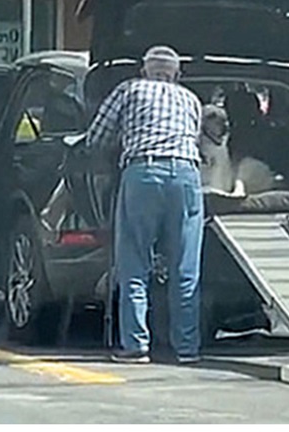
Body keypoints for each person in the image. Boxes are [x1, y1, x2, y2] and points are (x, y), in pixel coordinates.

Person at [85, 45, 204, 364]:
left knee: (135, 262)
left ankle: (136, 345)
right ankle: (187, 348)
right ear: (177, 75)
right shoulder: (191, 99)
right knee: (185, 266)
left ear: (144, 71)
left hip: (143, 174)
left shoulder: (129, 89)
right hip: (187, 176)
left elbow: (96, 136)